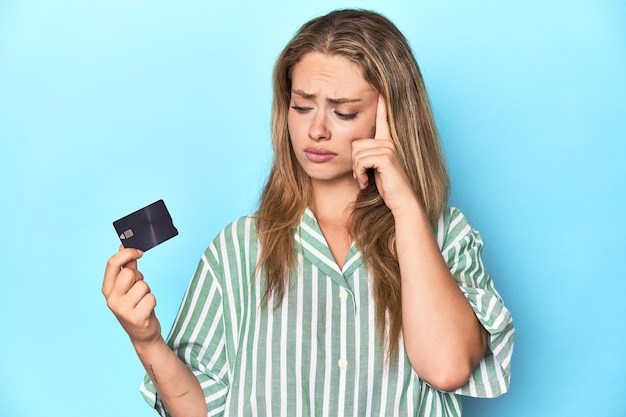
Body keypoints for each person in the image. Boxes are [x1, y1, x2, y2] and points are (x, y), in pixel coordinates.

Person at [102, 8, 514, 417]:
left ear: (393, 117)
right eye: (302, 107)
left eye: (344, 112)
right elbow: (197, 412)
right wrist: (147, 340)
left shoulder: (445, 237)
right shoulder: (240, 248)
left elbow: (447, 368)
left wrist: (405, 207)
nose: (317, 130)